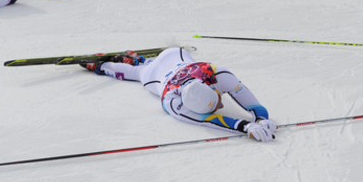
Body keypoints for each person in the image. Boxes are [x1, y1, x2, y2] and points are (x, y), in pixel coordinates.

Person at [81, 47, 277, 142]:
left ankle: (139, 60)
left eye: (218, 100)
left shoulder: (216, 74)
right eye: (218, 105)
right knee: (137, 73)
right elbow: (206, 121)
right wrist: (245, 125)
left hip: (175, 56)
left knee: (143, 70)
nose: (223, 105)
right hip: (166, 63)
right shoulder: (172, 102)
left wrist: (261, 119)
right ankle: (105, 66)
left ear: (210, 87)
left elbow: (248, 100)